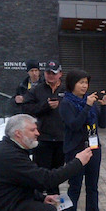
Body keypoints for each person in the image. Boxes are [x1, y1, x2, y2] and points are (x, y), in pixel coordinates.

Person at [59, 70, 106, 211]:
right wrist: (87, 106)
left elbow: (102, 124)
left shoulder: (90, 101)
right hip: (75, 149)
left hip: (94, 148)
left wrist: (103, 106)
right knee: (74, 187)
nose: (84, 86)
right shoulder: (66, 103)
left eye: (86, 82)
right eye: (81, 82)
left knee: (92, 187)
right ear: (72, 84)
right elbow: (74, 125)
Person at [21, 60, 65, 194]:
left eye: (53, 73)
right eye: (48, 73)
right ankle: (40, 198)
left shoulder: (67, 90)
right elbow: (26, 108)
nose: (50, 75)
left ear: (60, 74)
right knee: (41, 171)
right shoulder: (36, 90)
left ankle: (54, 197)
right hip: (43, 138)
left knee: (57, 172)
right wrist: (45, 106)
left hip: (61, 139)